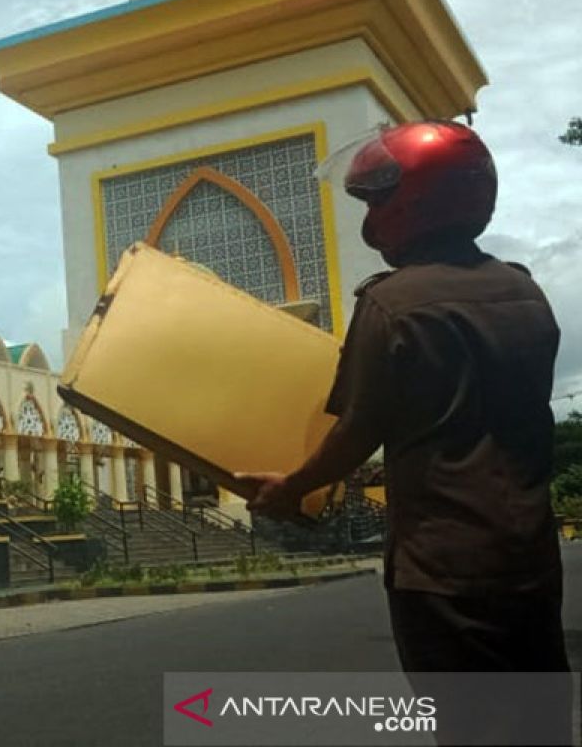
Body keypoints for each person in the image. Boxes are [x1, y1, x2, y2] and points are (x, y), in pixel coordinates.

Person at [238, 121, 570, 678]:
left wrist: (291, 486)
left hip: (443, 566)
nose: (370, 219)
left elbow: (357, 432)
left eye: (377, 200)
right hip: (528, 556)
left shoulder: (392, 304)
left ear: (417, 201)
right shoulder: (524, 291)